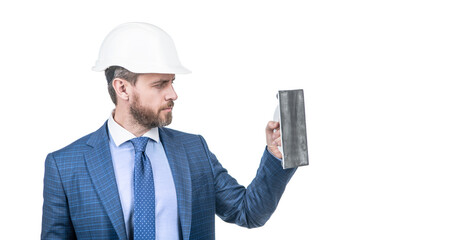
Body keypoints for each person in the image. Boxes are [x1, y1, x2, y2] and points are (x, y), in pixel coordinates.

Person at [41, 22, 297, 240]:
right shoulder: (65, 166)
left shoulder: (194, 150)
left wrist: (276, 155)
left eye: (172, 82)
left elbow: (247, 212)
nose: (173, 94)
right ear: (122, 89)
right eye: (160, 84)